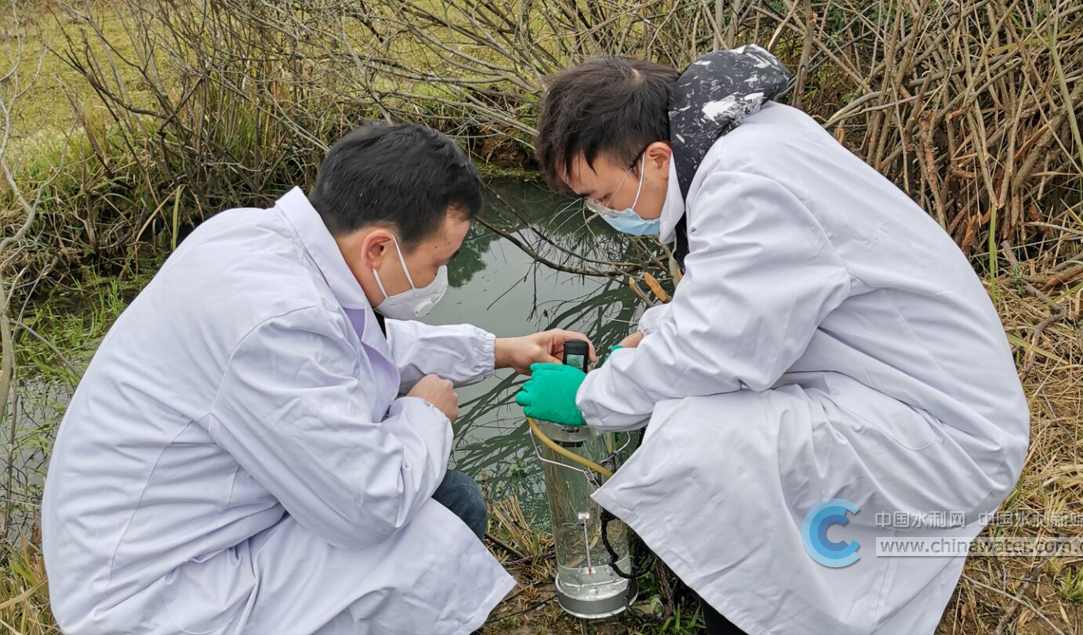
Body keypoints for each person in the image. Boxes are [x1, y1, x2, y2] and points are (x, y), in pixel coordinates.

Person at [518, 46, 1029, 634]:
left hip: (946, 432)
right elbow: (738, 297)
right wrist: (649, 336)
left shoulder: (745, 183)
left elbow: (717, 353)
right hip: (904, 389)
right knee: (698, 420)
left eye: (605, 197)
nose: (606, 212)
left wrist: (590, 398)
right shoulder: (744, 143)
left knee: (697, 439)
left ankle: (756, 616)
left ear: (656, 158)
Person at [41, 121, 595, 635]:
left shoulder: (258, 239)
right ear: (379, 247)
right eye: (436, 262)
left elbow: (359, 342)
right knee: (442, 514)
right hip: (160, 598)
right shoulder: (275, 323)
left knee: (445, 496)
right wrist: (426, 414)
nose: (439, 277)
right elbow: (370, 505)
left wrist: (498, 350)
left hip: (193, 530)